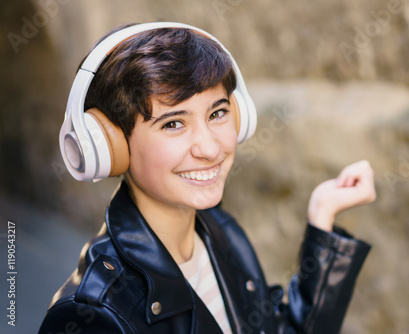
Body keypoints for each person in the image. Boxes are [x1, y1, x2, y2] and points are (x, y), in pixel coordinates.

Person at [39, 22, 376, 334]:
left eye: (217, 113)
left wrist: (322, 220)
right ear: (110, 147)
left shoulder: (220, 231)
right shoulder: (94, 314)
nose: (210, 148)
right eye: (173, 123)